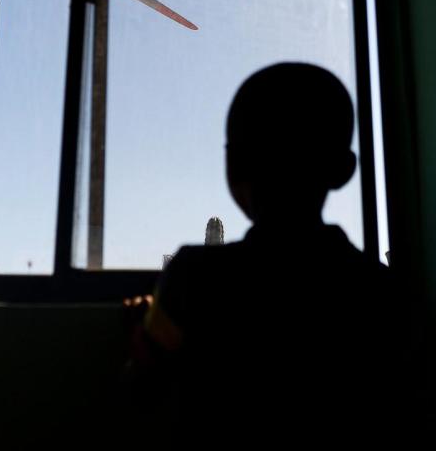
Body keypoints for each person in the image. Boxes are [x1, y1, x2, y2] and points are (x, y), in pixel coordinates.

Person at [124, 63, 405, 448]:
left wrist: (144, 325)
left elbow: (140, 388)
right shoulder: (381, 291)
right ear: (344, 169)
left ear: (232, 165)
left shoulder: (192, 276)